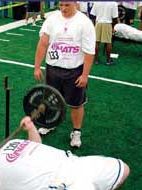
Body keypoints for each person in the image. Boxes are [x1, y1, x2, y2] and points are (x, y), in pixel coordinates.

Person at [0, 116, 130, 190]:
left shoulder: (8, 143)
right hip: (60, 188)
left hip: (75, 163)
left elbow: (35, 146)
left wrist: (30, 128)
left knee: (124, 169)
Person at [34, 2, 96, 148]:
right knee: (50, 99)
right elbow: (43, 43)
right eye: (60, 4)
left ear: (75, 3)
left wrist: (85, 75)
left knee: (76, 104)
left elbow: (89, 51)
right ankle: (50, 123)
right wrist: (37, 67)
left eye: (67, 5)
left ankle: (76, 132)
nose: (63, 8)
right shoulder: (52, 19)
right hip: (53, 69)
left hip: (74, 71)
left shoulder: (85, 23)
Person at [90, 1, 119, 65]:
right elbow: (115, 18)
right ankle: (108, 60)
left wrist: (95, 24)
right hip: (107, 23)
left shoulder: (96, 2)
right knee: (108, 42)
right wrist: (113, 27)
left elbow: (93, 15)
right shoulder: (113, 3)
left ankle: (96, 60)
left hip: (98, 23)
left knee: (96, 42)